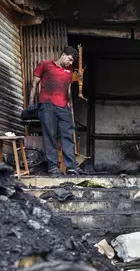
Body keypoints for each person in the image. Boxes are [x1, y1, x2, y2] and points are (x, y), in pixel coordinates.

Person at [28, 46, 84, 176]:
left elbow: (68, 89)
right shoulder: (45, 65)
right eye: (69, 60)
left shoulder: (69, 71)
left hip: (63, 107)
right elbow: (34, 83)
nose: (70, 63)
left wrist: (69, 104)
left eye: (72, 62)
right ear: (63, 55)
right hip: (47, 106)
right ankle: (53, 167)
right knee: (50, 136)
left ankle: (71, 167)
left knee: (67, 136)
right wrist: (31, 103)